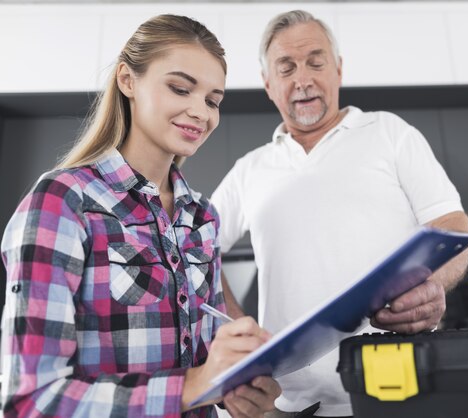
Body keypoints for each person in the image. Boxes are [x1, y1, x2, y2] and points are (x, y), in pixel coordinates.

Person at [0, 14, 280, 418]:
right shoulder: (62, 201)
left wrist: (236, 386)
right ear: (128, 80)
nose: (200, 111)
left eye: (212, 100)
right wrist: (191, 386)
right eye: (181, 88)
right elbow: (31, 400)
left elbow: (208, 367)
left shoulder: (203, 218)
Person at [210, 10, 468, 418]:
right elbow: (195, 246)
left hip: (401, 384)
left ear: (338, 68)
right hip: (290, 403)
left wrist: (433, 286)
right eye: (287, 68)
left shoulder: (389, 132)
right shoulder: (250, 169)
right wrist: (238, 332)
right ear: (268, 84)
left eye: (316, 62)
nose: (303, 79)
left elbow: (452, 226)